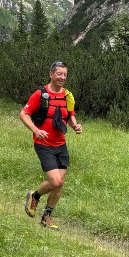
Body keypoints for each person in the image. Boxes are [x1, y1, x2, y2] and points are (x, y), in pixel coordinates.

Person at [21, 61, 83, 230]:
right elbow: (24, 114)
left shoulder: (67, 96)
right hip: (43, 143)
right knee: (55, 181)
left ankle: (46, 217)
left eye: (65, 75)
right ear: (51, 74)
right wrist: (35, 129)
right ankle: (34, 195)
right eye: (59, 74)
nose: (62, 77)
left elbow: (69, 116)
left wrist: (75, 126)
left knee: (60, 183)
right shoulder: (40, 94)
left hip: (60, 144)